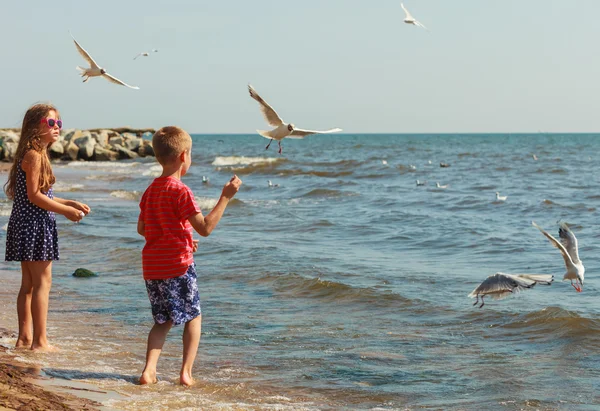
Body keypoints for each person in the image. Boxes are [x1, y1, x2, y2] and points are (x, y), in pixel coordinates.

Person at [137, 126, 241, 386]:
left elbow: (143, 228)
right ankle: (186, 373)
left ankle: (149, 371)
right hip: (178, 266)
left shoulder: (150, 190)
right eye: (191, 154)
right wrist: (225, 198)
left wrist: (180, 236)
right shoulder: (181, 190)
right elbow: (205, 228)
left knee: (163, 320)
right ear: (184, 156)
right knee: (193, 316)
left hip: (152, 267)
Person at [4, 103, 90, 351]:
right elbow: (34, 196)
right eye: (50, 123)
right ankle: (40, 341)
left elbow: (43, 194)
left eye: (59, 123)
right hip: (35, 225)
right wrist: (66, 211)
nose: (56, 128)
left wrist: (69, 201)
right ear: (34, 127)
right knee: (42, 284)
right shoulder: (33, 155)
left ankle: (24, 338)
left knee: (29, 285)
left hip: (26, 224)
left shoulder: (34, 154)